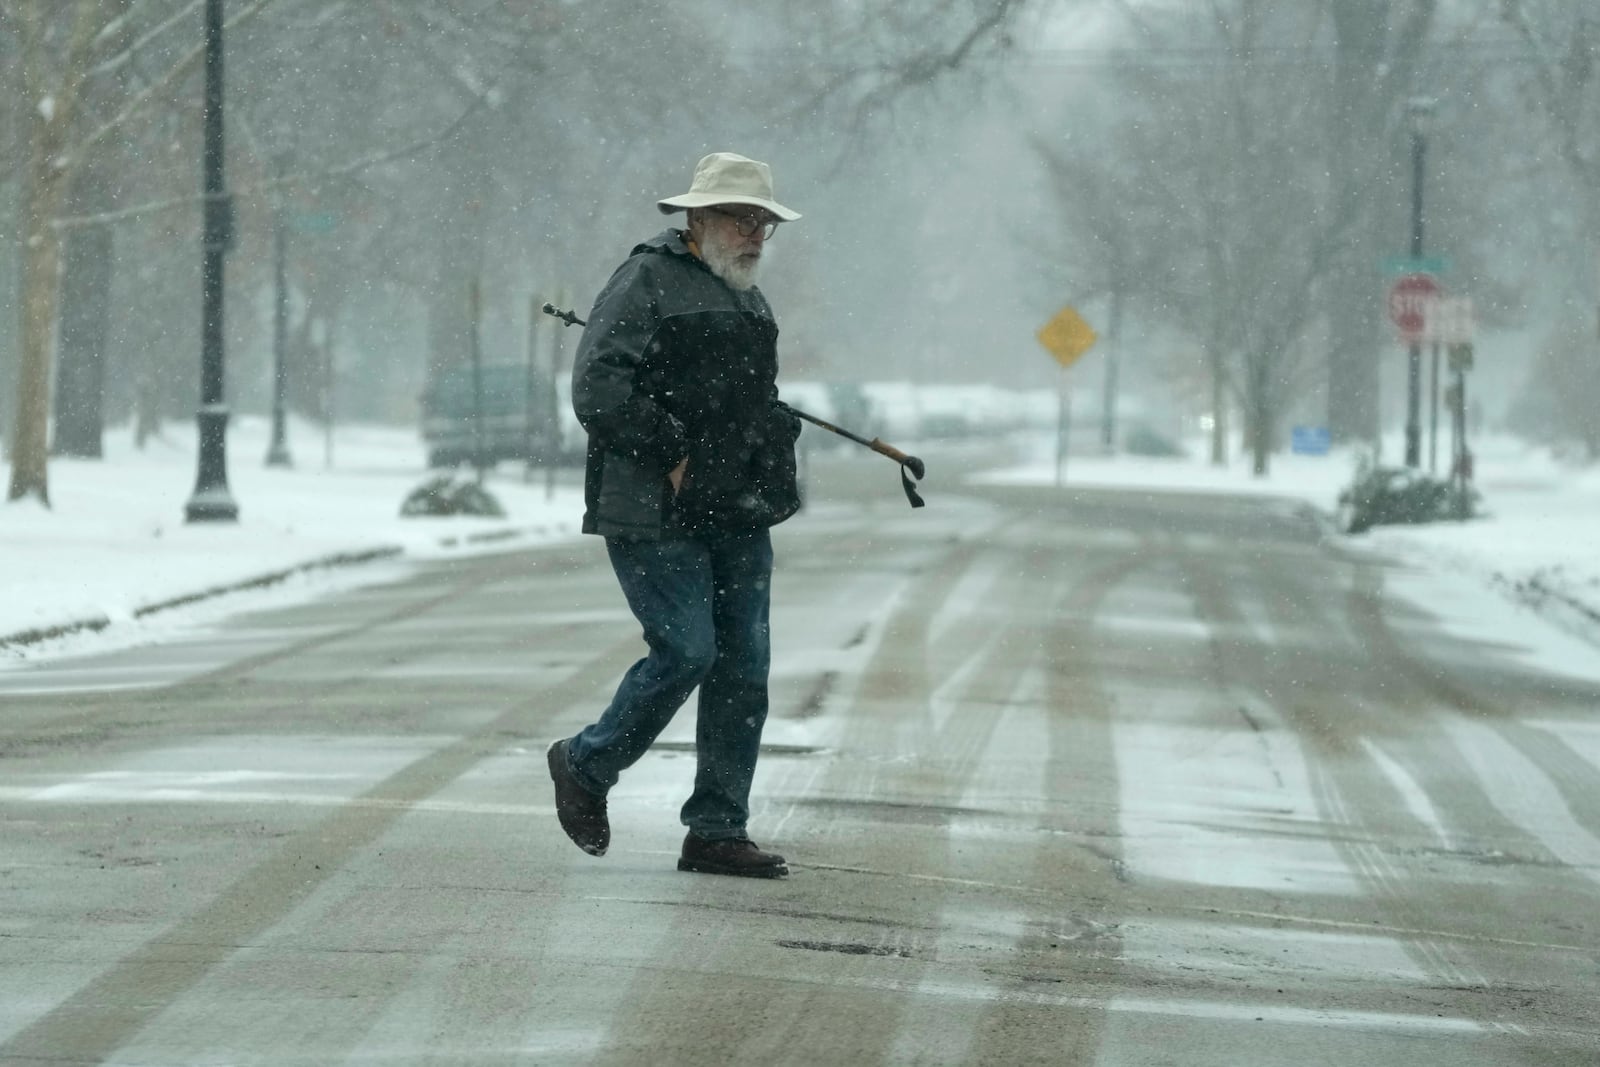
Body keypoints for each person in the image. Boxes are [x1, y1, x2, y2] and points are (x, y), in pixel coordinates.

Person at [546, 152, 804, 879]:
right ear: (697, 218)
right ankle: (586, 764)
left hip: (736, 513)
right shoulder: (645, 281)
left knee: (743, 668)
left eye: (763, 223)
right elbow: (597, 386)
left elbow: (754, 402)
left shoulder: (750, 301)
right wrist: (671, 448)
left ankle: (718, 828)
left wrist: (770, 447)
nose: (755, 235)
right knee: (688, 651)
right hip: (653, 511)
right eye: (741, 218)